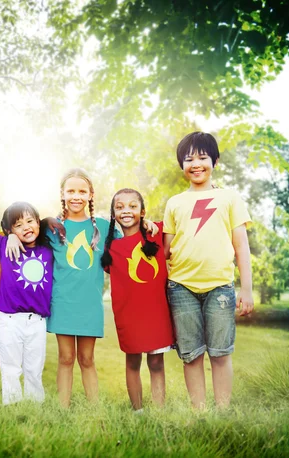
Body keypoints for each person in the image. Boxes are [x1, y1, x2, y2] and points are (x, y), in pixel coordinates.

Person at [163, 131, 253, 409]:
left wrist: (247, 289)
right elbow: (165, 249)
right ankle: (199, 413)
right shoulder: (174, 202)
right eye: (189, 159)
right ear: (182, 166)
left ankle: (222, 412)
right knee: (191, 355)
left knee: (220, 353)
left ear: (215, 160)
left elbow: (241, 246)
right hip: (181, 288)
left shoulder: (229, 197)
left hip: (220, 287)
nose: (196, 164)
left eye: (202, 157)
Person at [45, 168, 115, 408]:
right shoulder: (52, 228)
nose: (76, 196)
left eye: (82, 191)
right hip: (62, 302)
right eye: (71, 191)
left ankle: (93, 410)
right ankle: (62, 410)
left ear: (91, 195)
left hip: (89, 305)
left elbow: (131, 235)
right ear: (62, 194)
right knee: (65, 358)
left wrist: (147, 223)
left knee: (87, 359)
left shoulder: (104, 227)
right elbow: (20, 229)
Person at [101, 188, 174, 411]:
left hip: (156, 312)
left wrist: (150, 224)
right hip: (128, 315)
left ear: (142, 212)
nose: (126, 211)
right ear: (113, 214)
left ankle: (159, 411)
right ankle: (138, 411)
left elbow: (179, 221)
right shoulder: (110, 247)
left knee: (156, 362)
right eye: (119, 206)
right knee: (132, 362)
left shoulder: (156, 233)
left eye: (133, 206)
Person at [0, 202, 53, 405]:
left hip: (36, 321)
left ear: (38, 223)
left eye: (30, 221)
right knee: (10, 367)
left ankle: (34, 406)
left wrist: (46, 221)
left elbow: (55, 226)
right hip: (9, 320)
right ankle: (12, 406)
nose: (26, 227)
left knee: (34, 368)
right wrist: (8, 236)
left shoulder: (48, 250)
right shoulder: (5, 245)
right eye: (18, 225)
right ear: (10, 230)